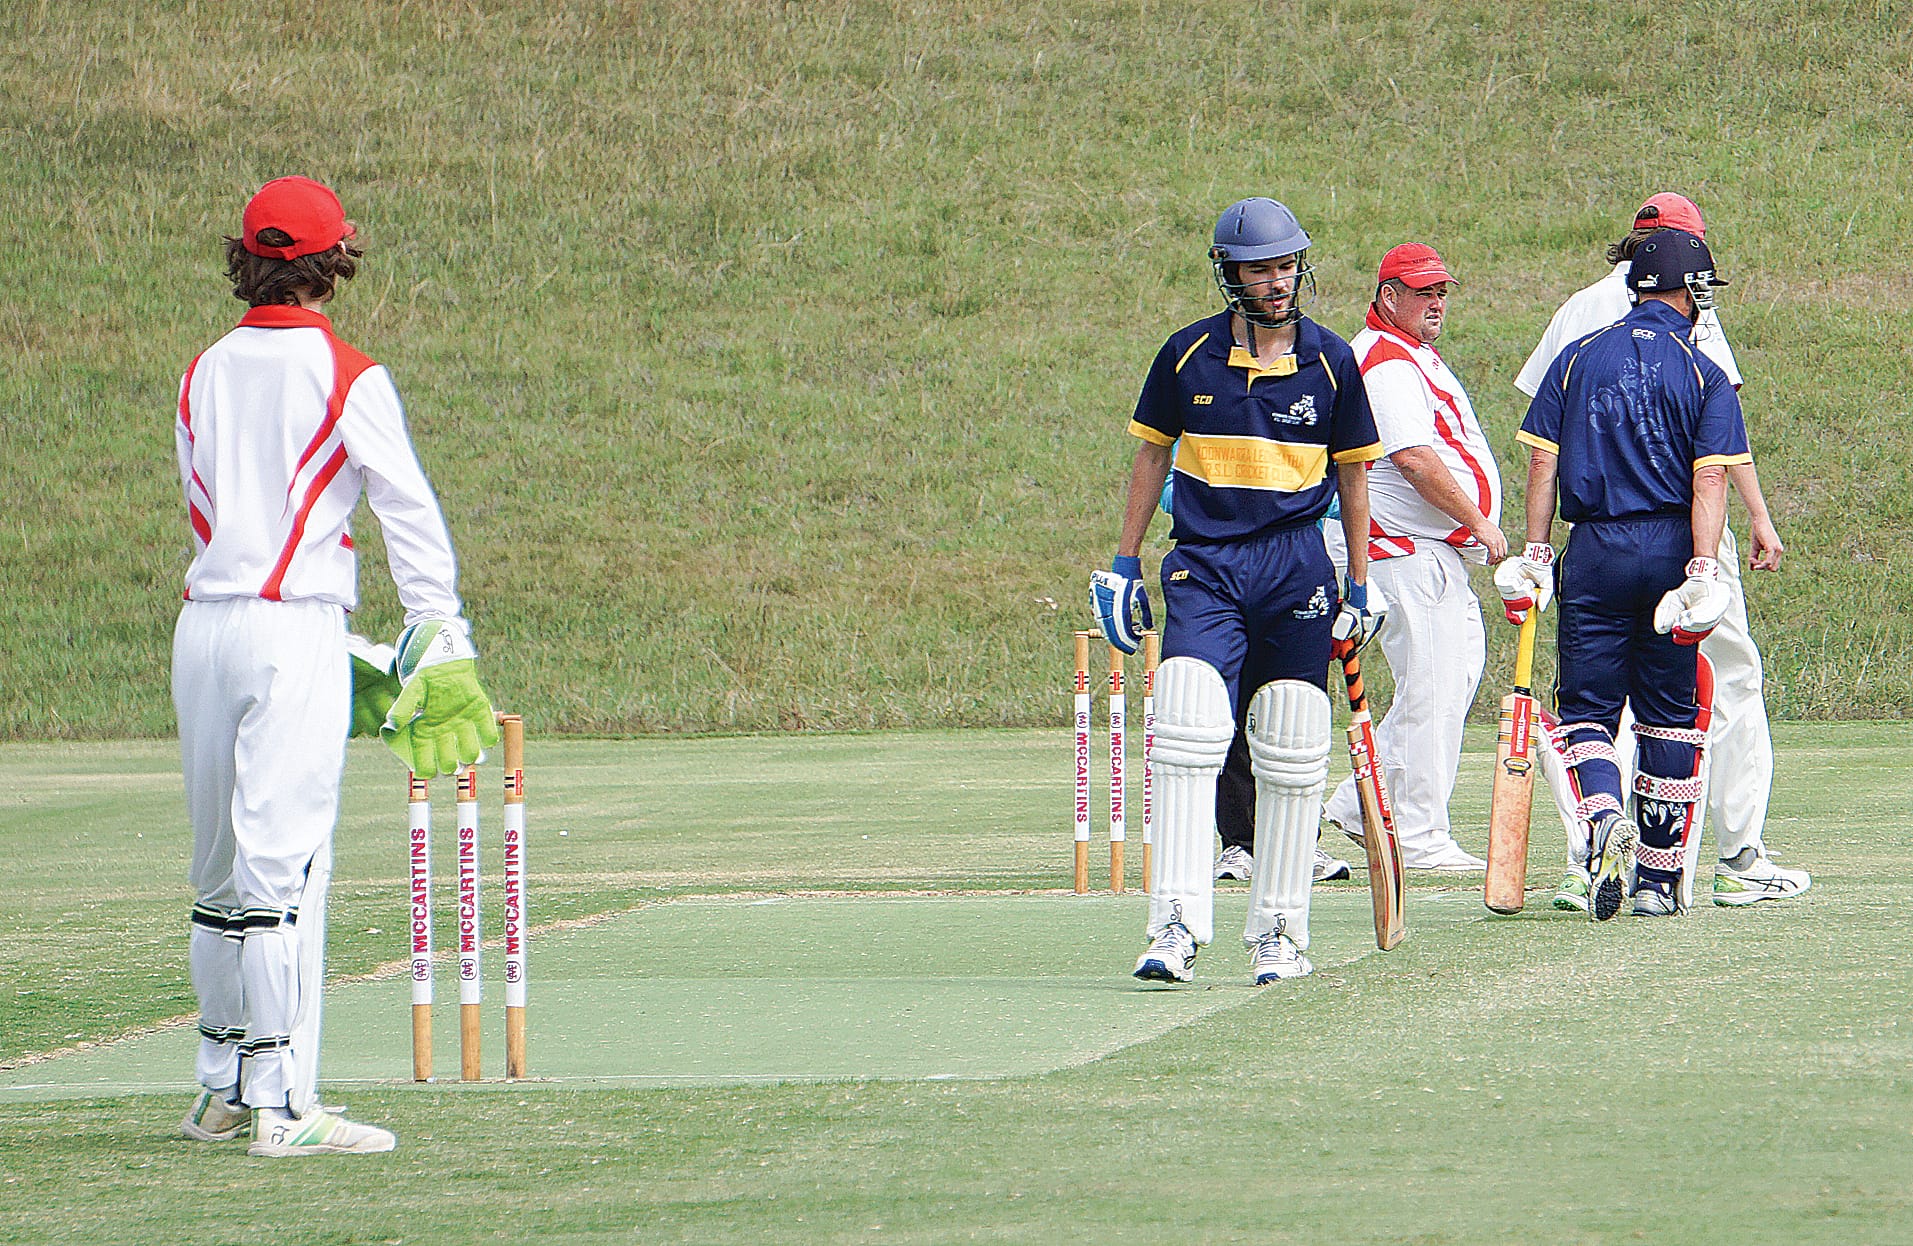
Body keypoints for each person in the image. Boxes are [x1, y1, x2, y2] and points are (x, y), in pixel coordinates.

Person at [174, 176, 500, 1157]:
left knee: (218, 872)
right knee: (284, 866)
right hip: (293, 628)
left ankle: (221, 1089)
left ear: (249, 257)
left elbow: (214, 503)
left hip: (204, 628)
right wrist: (438, 631)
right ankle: (284, 1108)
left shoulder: (203, 369)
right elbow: (406, 509)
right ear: (334, 259)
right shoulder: (348, 373)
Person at [1090, 196, 1384, 985]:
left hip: (1295, 564)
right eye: (1261, 267)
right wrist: (1122, 562)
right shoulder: (1185, 358)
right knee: (1185, 720)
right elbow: (1151, 457)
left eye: (1287, 264)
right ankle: (1175, 925)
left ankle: (1279, 931)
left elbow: (1353, 474)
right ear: (1229, 275)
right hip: (1205, 560)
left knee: (1291, 742)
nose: (1278, 280)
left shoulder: (1330, 362)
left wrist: (1359, 578)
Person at [1512, 194, 1806, 911]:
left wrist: (1534, 553)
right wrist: (1703, 568)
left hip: (1592, 550)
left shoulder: (1577, 353)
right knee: (1670, 715)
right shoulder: (1701, 367)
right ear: (1689, 288)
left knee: (1586, 708)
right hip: (1671, 546)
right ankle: (1655, 882)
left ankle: (1602, 816)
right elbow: (1709, 480)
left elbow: (1541, 467)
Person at [1320, 244, 1507, 870]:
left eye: (1442, 292)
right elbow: (1413, 457)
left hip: (1421, 549)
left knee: (1448, 679)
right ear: (1388, 296)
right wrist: (1479, 520)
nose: (1436, 303)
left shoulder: (1406, 355)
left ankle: (1355, 802)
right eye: (1422, 292)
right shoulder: (1387, 361)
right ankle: (1422, 834)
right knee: (1433, 683)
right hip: (1399, 548)